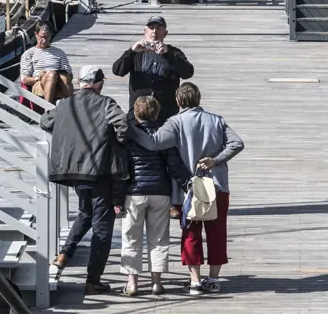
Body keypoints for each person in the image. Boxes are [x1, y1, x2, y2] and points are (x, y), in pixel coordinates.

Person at [128, 83, 243, 296]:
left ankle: (195, 281)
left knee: (191, 234)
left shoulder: (175, 122)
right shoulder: (216, 120)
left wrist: (129, 130)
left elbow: (154, 143)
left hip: (188, 190)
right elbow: (237, 143)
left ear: (178, 101)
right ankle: (214, 279)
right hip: (217, 186)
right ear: (198, 99)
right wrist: (215, 160)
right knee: (217, 233)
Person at [42, 66, 129, 294]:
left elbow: (45, 122)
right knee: (102, 225)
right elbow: (123, 126)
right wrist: (116, 142)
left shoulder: (65, 104)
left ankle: (63, 255)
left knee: (85, 214)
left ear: (80, 82)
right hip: (100, 172)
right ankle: (93, 280)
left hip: (74, 170)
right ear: (99, 83)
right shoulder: (106, 103)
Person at [121, 96, 191, 296]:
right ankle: (156, 283)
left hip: (134, 193)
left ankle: (132, 283)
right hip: (160, 192)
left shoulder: (129, 137)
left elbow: (121, 166)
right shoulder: (163, 136)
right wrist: (189, 185)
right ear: (157, 114)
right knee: (158, 239)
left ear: (135, 114)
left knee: (131, 238)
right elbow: (175, 166)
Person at [111, 14, 194, 122]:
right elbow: (117, 70)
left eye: (158, 28)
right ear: (145, 31)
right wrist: (131, 51)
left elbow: (188, 73)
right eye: (151, 28)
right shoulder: (136, 52)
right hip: (138, 115)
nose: (154, 31)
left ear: (165, 33)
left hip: (165, 115)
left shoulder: (173, 52)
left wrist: (169, 55)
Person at [19, 22, 72, 104]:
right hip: (40, 81)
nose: (44, 40)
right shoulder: (29, 54)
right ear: (36, 34)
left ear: (51, 35)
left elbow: (69, 74)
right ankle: (48, 109)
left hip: (59, 80)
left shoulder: (59, 52)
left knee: (63, 77)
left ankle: (71, 108)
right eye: (42, 37)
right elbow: (24, 79)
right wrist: (37, 78)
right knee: (52, 74)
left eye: (47, 37)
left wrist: (63, 75)